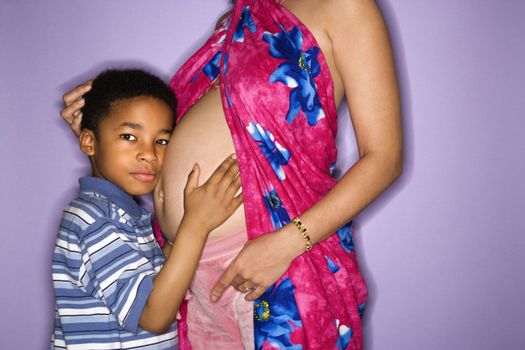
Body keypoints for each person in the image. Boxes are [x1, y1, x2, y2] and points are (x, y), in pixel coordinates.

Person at [61, 0, 403, 348]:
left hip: (269, 262)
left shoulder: (344, 6)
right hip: (188, 274)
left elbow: (384, 159)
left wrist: (284, 245)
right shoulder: (236, 21)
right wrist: (104, 127)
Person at [52, 69, 242, 349]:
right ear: (89, 141)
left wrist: (184, 235)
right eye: (129, 136)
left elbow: (151, 280)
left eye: (162, 141)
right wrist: (196, 224)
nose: (149, 154)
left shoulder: (123, 214)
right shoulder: (93, 219)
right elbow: (152, 316)